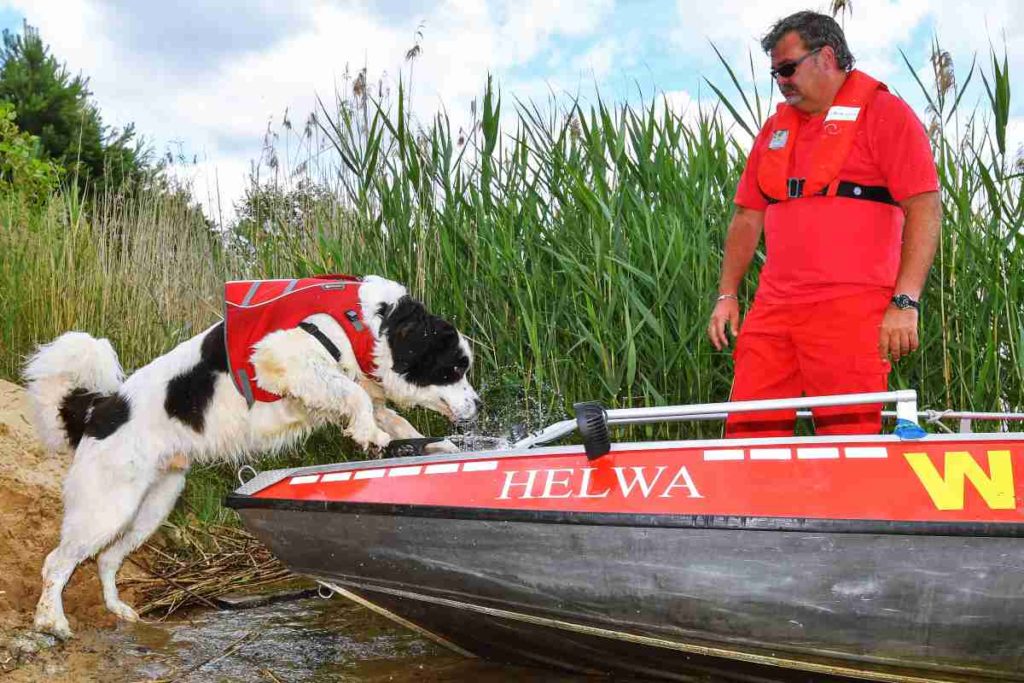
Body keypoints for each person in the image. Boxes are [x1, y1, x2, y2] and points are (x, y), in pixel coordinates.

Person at [706, 11, 942, 437]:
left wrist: (905, 303)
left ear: (827, 56)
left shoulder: (884, 113)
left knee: (849, 441)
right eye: (775, 72)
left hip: (852, 310)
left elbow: (925, 208)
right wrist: (727, 294)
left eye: (788, 68)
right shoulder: (774, 130)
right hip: (774, 309)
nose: (781, 80)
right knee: (748, 436)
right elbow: (746, 214)